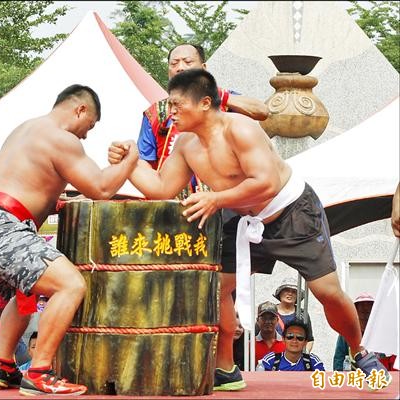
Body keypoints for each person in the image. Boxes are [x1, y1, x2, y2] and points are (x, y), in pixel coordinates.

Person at [108, 68, 390, 391]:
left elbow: (266, 183)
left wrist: (215, 198)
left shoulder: (240, 129)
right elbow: (160, 187)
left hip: (293, 212)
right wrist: (130, 163)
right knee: (215, 288)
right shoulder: (185, 144)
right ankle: (226, 366)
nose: (169, 113)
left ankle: (359, 351)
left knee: (327, 292)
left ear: (203, 103)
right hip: (241, 218)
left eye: (176, 105)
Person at [0, 84, 138, 396]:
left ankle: (4, 365)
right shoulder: (61, 138)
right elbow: (102, 188)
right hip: (0, 226)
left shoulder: (25, 130)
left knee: (24, 295)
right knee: (70, 284)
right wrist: (132, 158)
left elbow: (36, 189)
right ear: (79, 110)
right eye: (89, 126)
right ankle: (39, 372)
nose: (86, 136)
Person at [137, 43, 267, 173]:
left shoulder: (223, 99)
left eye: (188, 62)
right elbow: (144, 161)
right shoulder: (155, 112)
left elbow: (262, 112)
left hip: (224, 190)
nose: (180, 68)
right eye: (174, 63)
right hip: (171, 189)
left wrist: (216, 94)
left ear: (203, 68)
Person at [333, 293, 397, 371]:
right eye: (361, 310)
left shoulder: (381, 333)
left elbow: (391, 359)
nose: (364, 314)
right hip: (353, 378)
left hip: (378, 377)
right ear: (355, 312)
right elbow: (339, 359)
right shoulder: (346, 333)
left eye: (368, 311)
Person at [258, 319, 324, 371]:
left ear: (305, 342)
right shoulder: (270, 361)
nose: (294, 341)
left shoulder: (314, 362)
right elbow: (259, 384)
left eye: (299, 338)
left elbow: (322, 385)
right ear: (283, 340)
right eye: (290, 337)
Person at [273, 278, 314, 352]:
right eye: (286, 290)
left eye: (294, 291)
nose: (290, 294)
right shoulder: (271, 312)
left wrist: (303, 355)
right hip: (273, 357)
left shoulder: (302, 314)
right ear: (280, 293)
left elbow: (309, 340)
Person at [254, 302, 286, 366]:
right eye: (264, 318)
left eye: (271, 318)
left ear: (277, 320)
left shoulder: (286, 344)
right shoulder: (250, 345)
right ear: (257, 320)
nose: (268, 322)